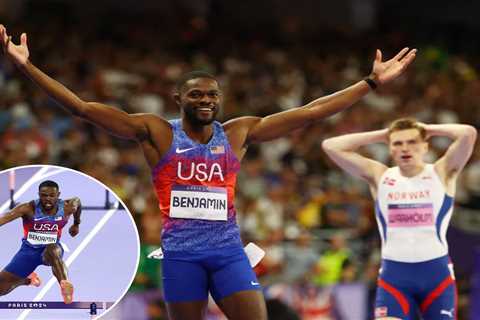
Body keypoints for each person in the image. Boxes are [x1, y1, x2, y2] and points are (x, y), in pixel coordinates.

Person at [0, 25, 416, 320]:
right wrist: (26, 68)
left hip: (227, 253)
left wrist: (370, 83)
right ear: (177, 97)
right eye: (196, 94)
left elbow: (310, 113)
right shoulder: (157, 132)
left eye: (212, 95)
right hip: (182, 256)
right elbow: (84, 110)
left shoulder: (238, 132)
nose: (206, 100)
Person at [322, 118, 477, 319]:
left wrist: (427, 129)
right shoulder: (380, 176)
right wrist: (382, 134)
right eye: (397, 143)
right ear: (390, 149)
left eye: (412, 142)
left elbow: (468, 133)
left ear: (425, 146)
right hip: (395, 276)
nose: (405, 148)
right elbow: (331, 145)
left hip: (436, 276)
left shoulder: (442, 172)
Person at [0, 180, 82, 304]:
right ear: (39, 194)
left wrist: (76, 224)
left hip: (50, 251)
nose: (47, 199)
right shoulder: (28, 208)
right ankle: (28, 280)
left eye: (51, 195)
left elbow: (78, 201)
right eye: (44, 195)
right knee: (1, 289)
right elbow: (6, 217)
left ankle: (65, 285)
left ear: (58, 195)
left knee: (52, 249)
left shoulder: (67, 207)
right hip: (28, 252)